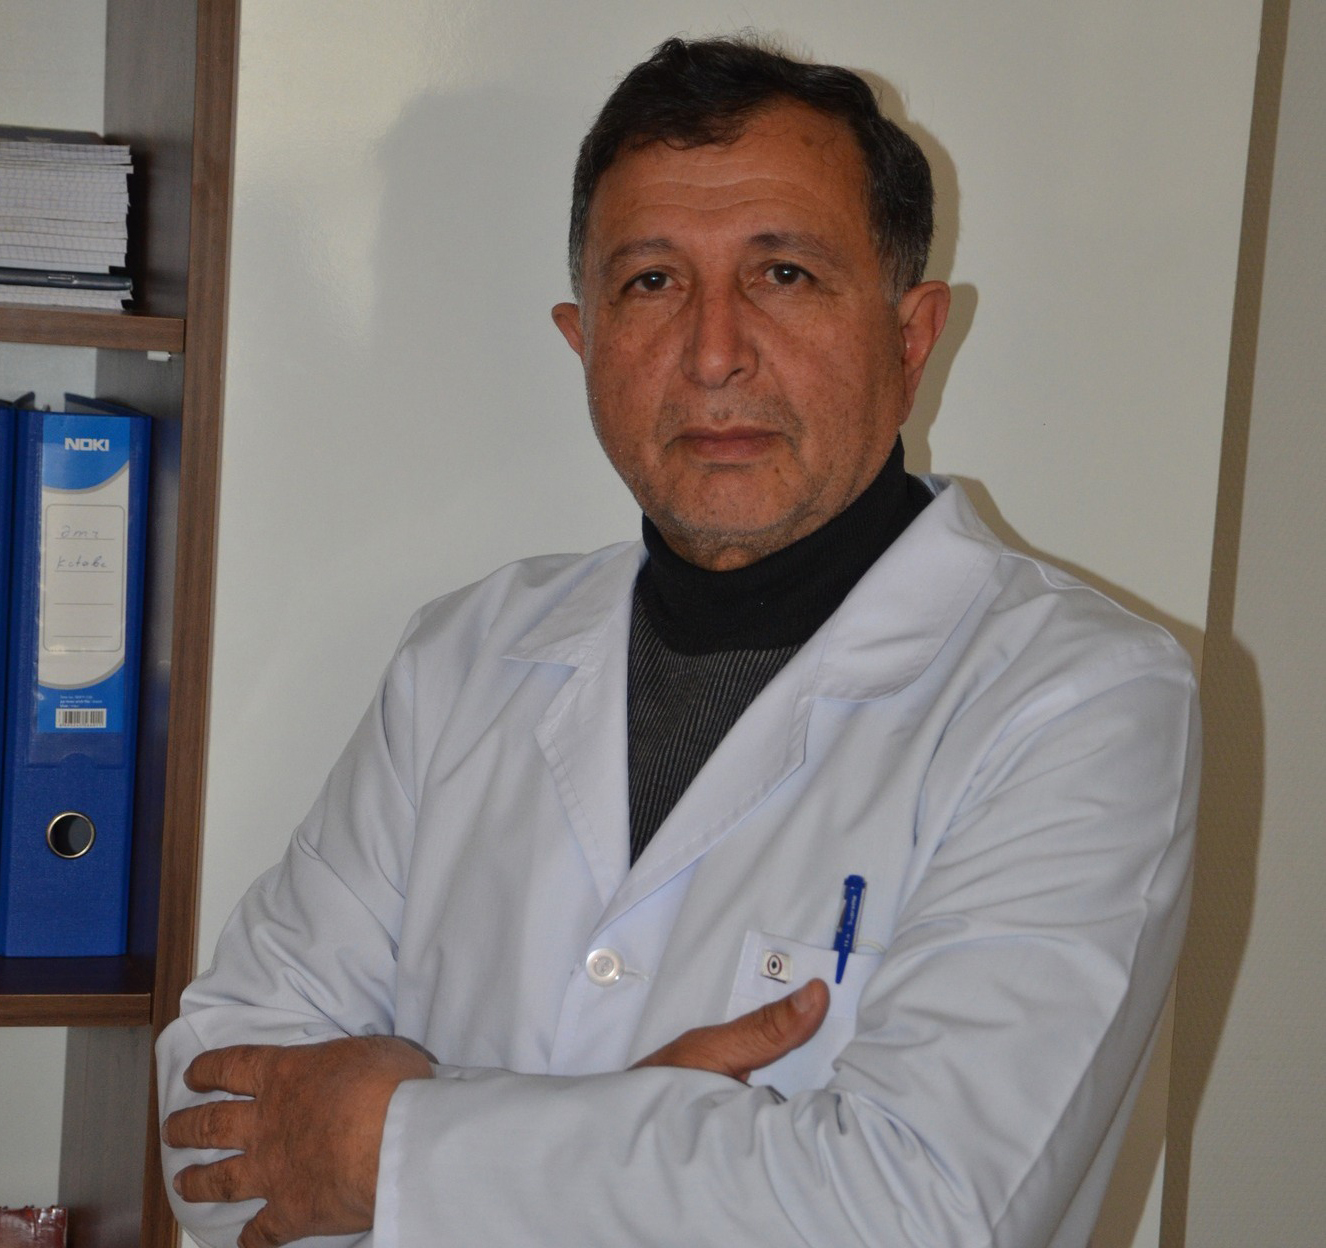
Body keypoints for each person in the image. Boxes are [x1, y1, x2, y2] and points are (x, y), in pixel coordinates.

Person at [158, 35, 1199, 1248]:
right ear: (583, 339)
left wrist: (387, 1147)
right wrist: (632, 1150)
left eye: (785, 274)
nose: (714, 354)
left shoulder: (1079, 700)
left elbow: (924, 1214)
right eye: (652, 282)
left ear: (911, 337)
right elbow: (215, 1131)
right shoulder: (463, 658)